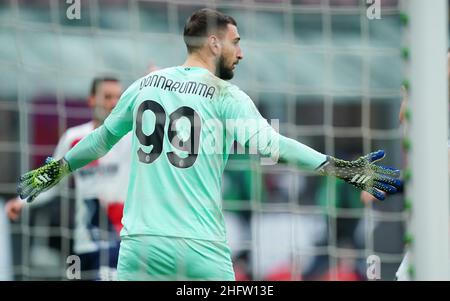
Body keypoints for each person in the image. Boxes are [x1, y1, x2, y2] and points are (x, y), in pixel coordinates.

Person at [16, 8, 402, 280]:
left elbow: (99, 142)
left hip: (141, 248)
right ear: (214, 44)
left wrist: (56, 168)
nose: (242, 52)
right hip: (199, 248)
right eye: (236, 42)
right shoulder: (225, 96)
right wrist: (344, 169)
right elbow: (275, 147)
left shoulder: (145, 85)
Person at [6, 77, 131, 280]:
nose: (114, 103)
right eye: (107, 97)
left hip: (119, 241)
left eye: (118, 97)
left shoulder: (131, 137)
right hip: (83, 241)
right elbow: (54, 177)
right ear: (91, 100)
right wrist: (22, 203)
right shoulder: (74, 137)